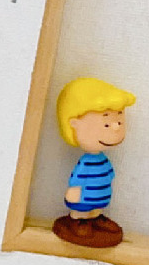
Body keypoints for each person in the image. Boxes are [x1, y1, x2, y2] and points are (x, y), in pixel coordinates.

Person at [53, 76, 136, 249]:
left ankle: (96, 218)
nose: (116, 128)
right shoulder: (85, 163)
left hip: (100, 194)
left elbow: (109, 174)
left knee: (97, 206)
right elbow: (77, 179)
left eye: (119, 121)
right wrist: (73, 191)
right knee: (82, 208)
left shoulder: (102, 159)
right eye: (106, 125)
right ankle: (79, 221)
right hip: (83, 196)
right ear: (74, 124)